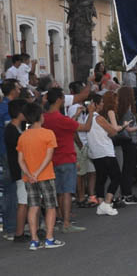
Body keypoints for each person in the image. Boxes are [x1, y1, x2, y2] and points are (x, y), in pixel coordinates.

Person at [42, 87, 93, 233]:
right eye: (63, 97)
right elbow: (86, 127)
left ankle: (57, 218)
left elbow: (67, 125)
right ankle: (66, 223)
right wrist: (89, 113)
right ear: (58, 100)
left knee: (57, 191)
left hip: (51, 159)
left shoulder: (45, 118)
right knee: (67, 192)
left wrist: (75, 116)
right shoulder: (62, 119)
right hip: (66, 157)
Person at [16, 102, 64, 249]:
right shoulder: (48, 134)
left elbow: (20, 160)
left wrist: (30, 174)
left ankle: (34, 240)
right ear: (40, 116)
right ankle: (49, 238)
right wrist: (37, 173)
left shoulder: (23, 136)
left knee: (33, 206)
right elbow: (48, 157)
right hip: (45, 175)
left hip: (29, 178)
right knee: (50, 207)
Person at [88, 93, 124, 216]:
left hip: (95, 151)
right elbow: (113, 131)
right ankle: (107, 203)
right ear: (96, 104)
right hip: (105, 150)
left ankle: (101, 203)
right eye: (101, 102)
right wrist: (121, 126)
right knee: (116, 176)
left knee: (101, 178)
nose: (103, 104)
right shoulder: (99, 118)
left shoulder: (86, 118)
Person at [3, 99, 28, 242]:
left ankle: (24, 229)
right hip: (18, 170)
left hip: (23, 169)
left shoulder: (21, 126)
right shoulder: (11, 130)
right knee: (22, 202)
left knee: (26, 201)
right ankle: (18, 232)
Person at [0, 78, 21, 240]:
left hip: (7, 152)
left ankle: (12, 225)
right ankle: (11, 227)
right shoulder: (7, 108)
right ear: (12, 90)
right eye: (18, 87)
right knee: (11, 189)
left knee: (11, 189)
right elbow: (11, 131)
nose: (19, 89)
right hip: (9, 153)